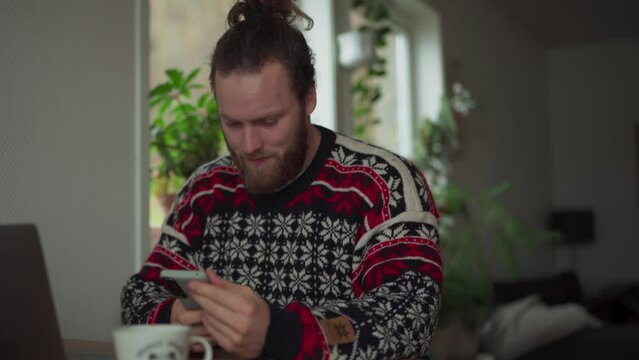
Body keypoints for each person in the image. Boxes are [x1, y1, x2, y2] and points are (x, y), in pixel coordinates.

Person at [121, 0, 442, 359]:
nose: (249, 145)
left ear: (309, 99)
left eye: (269, 122)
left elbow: (407, 320)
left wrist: (280, 333)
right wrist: (174, 316)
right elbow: (139, 295)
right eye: (232, 123)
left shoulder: (382, 184)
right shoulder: (204, 190)